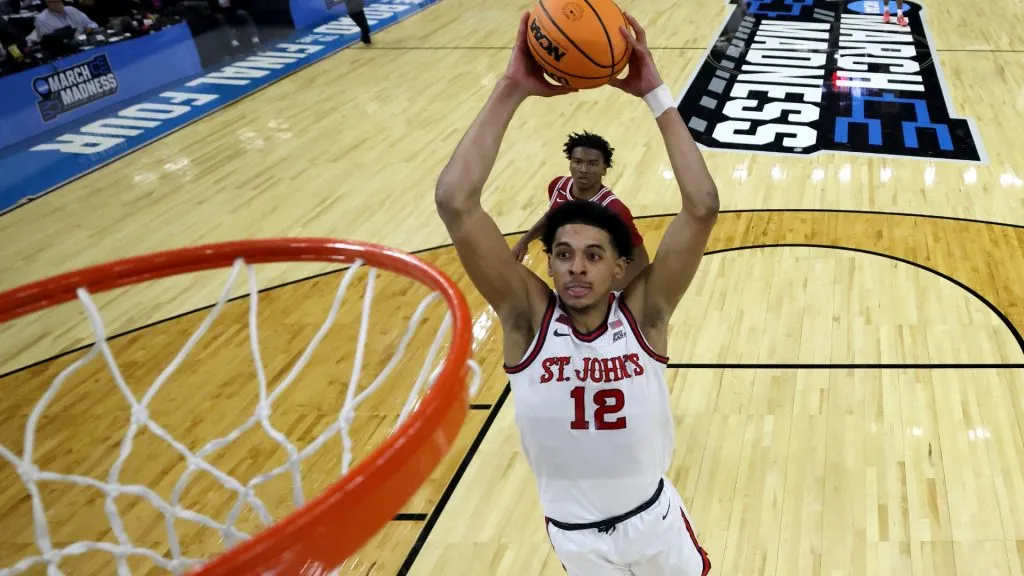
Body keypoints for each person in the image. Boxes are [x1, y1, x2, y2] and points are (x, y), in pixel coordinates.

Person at [434, 10, 717, 576]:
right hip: (578, 539)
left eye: (593, 256)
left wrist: (654, 92)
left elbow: (702, 207)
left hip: (654, 522)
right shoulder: (526, 321)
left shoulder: (645, 314)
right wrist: (512, 87)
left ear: (620, 269)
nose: (576, 269)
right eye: (563, 255)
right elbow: (455, 201)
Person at [511, 130, 650, 291]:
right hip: (569, 274)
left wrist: (609, 293)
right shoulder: (557, 186)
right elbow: (552, 217)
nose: (583, 169)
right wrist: (524, 241)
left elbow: (639, 258)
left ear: (604, 169)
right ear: (570, 164)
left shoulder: (615, 210)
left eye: (592, 163)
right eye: (577, 161)